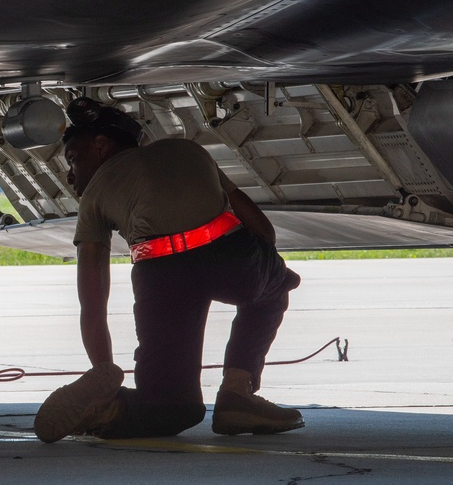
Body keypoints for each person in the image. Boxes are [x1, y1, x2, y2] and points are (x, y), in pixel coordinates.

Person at [34, 97, 303, 443]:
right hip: (226, 255)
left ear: (101, 146)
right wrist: (264, 265)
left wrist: (103, 371)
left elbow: (93, 303)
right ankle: (238, 393)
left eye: (73, 159)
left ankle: (108, 409)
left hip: (160, 277)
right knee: (276, 285)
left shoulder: (94, 196)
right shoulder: (187, 150)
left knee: (174, 407)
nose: (70, 175)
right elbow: (263, 230)